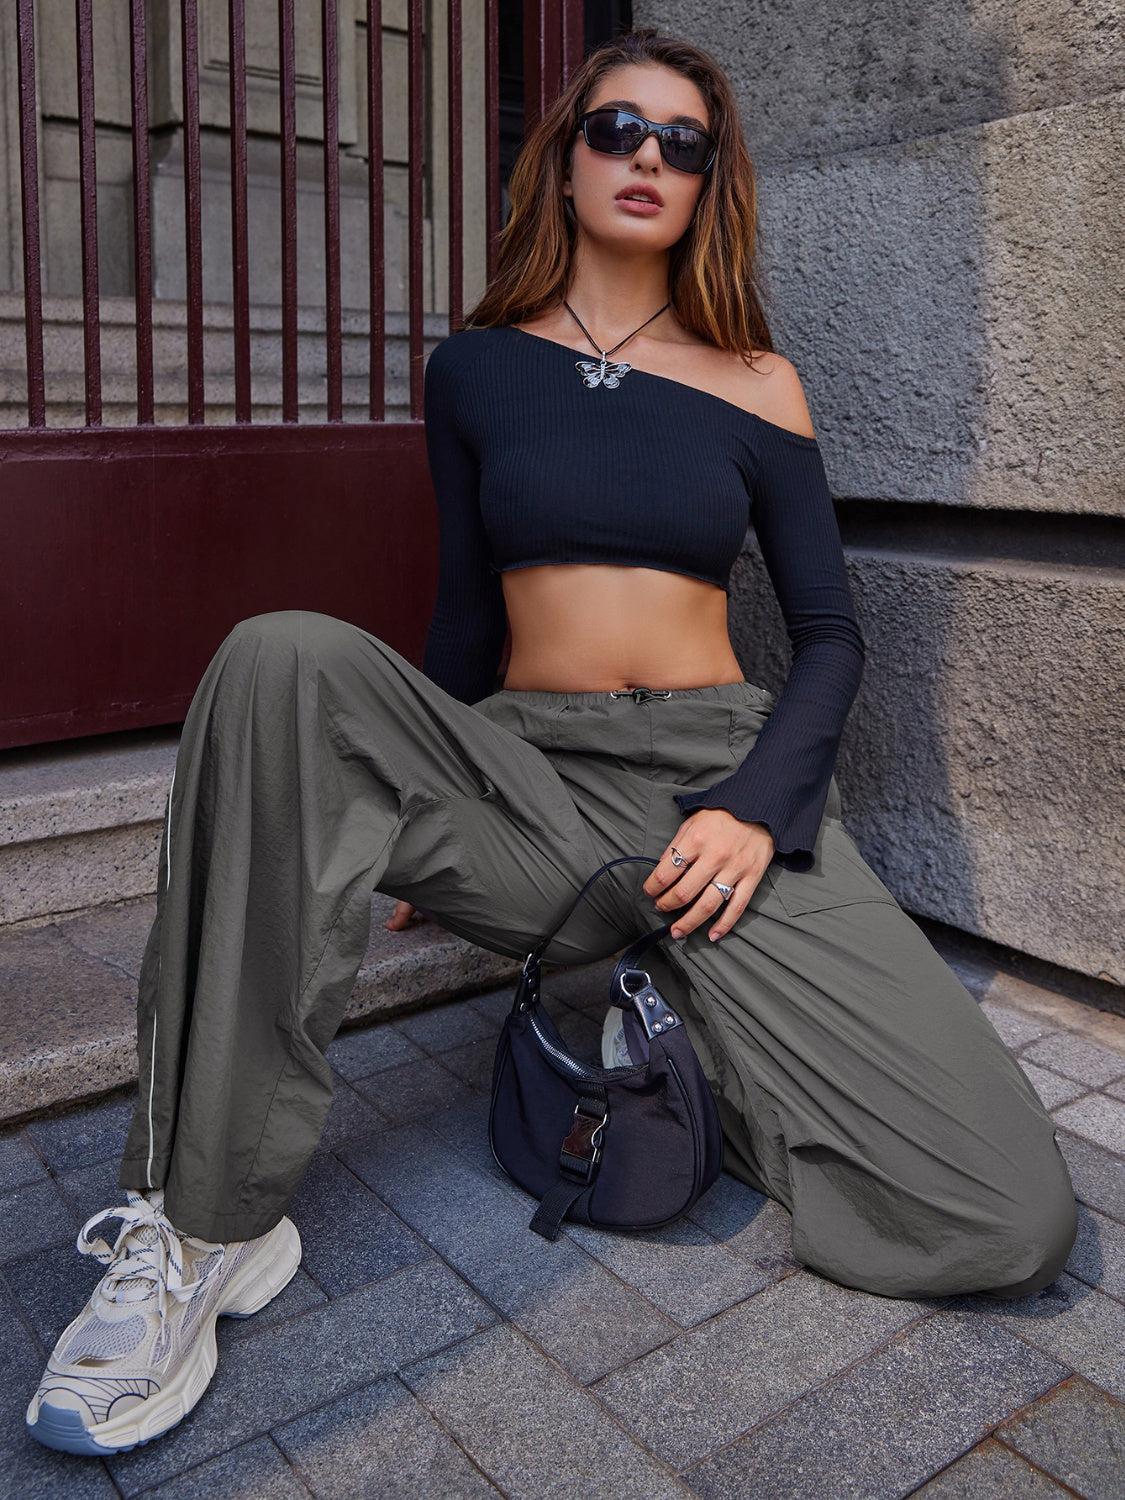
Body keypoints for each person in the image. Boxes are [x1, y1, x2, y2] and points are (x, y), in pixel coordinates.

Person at [27, 27, 1078, 1459]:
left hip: (715, 791)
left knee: (1001, 1218)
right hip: (533, 778)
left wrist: (759, 808)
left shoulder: (758, 382)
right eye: (618, 130)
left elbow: (829, 637)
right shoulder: (471, 370)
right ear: (565, 157)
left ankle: (676, 993)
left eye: (683, 142)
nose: (649, 157)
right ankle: (204, 1223)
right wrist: (405, 791)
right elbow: (466, 617)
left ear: (712, 182)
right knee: (280, 657)